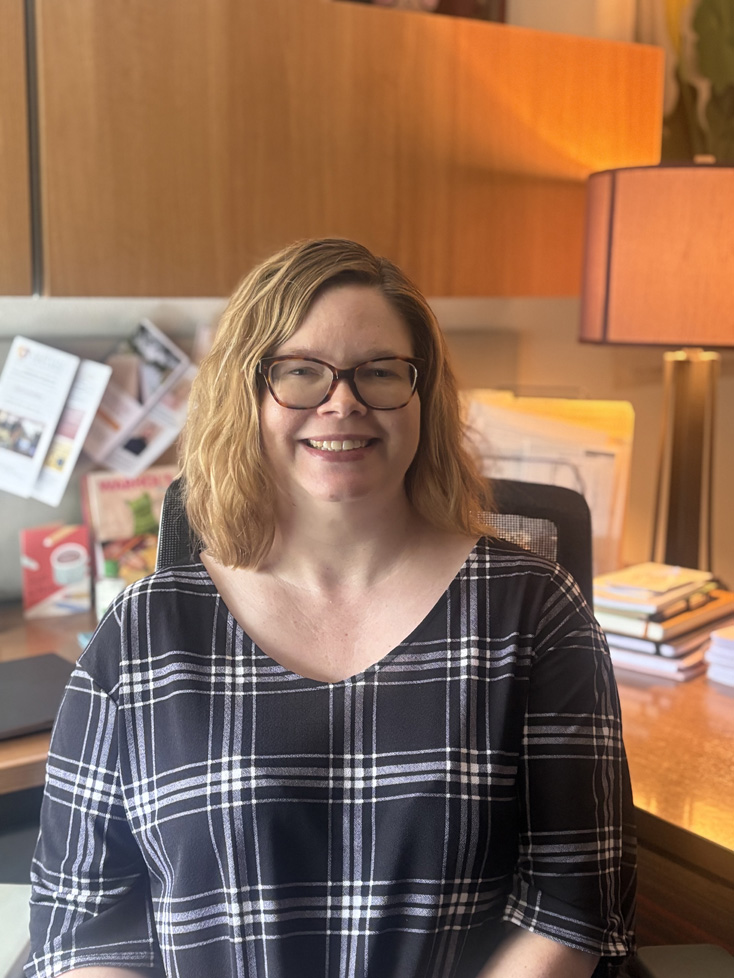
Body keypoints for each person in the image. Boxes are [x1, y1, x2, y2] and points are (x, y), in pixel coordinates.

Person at [26, 238, 636, 978]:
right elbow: (83, 925)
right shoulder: (144, 631)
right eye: (300, 372)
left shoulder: (533, 612)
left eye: (379, 371)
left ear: (423, 397)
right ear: (247, 395)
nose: (341, 401)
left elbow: (570, 913)